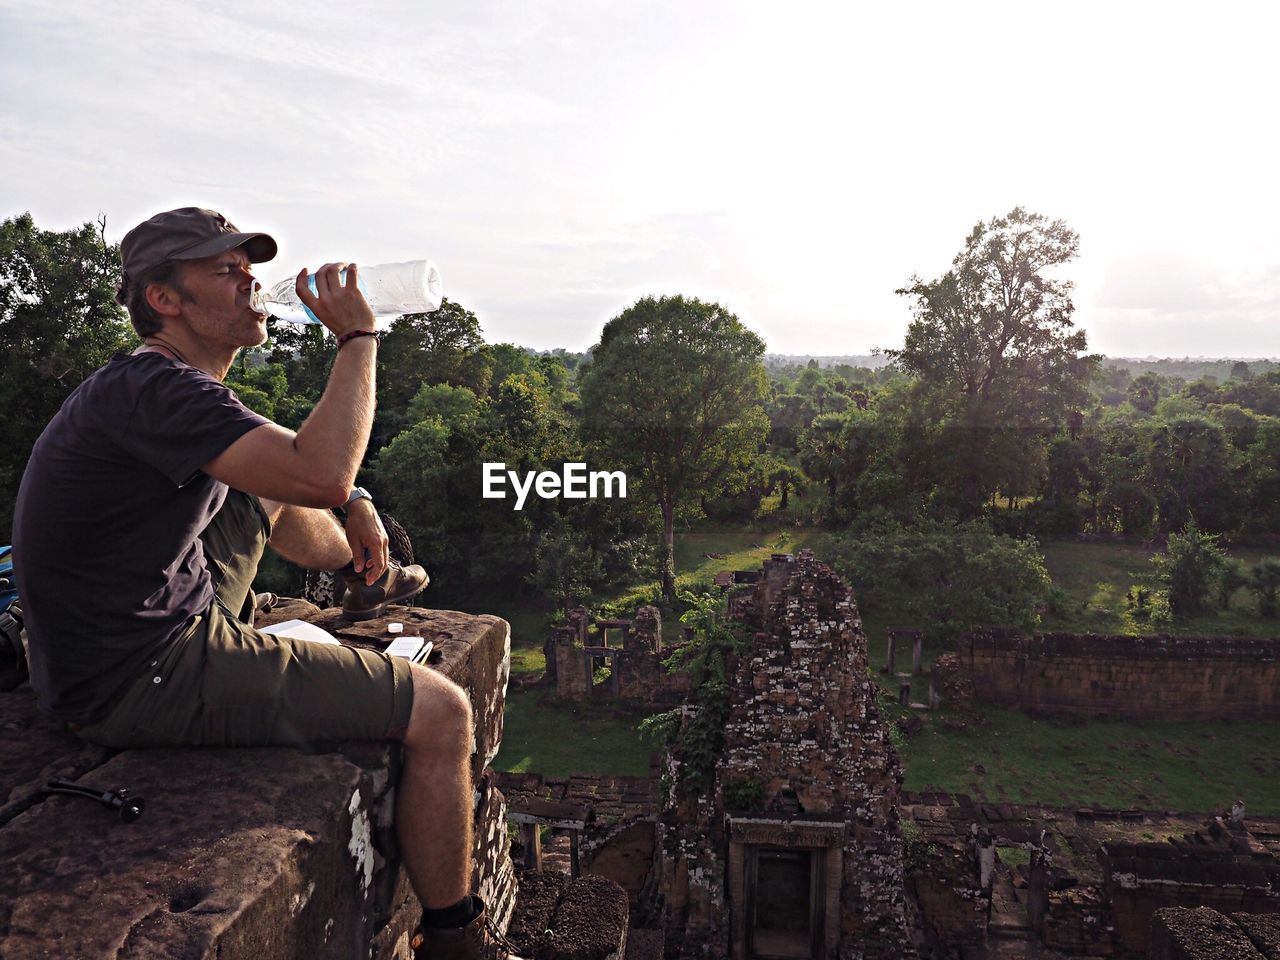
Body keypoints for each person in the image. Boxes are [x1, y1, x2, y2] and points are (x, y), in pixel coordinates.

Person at [12, 208, 518, 960]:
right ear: (165, 299)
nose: (251, 284)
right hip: (140, 674)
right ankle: (457, 937)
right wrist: (357, 336)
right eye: (225, 271)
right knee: (441, 712)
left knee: (262, 487)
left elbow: (292, 465)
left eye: (250, 269)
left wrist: (357, 506)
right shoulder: (156, 388)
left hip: (126, 636)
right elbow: (321, 467)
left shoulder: (160, 385)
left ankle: (357, 574)